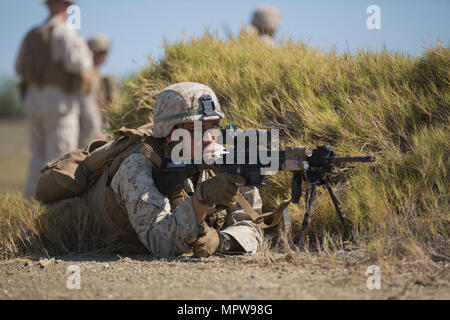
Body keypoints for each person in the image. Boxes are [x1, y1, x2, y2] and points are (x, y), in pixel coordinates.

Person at [44, 82, 264, 258]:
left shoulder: (221, 158)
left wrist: (222, 242)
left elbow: (253, 224)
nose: (209, 138)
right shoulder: (136, 167)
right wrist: (200, 200)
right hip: (85, 236)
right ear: (170, 135)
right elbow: (161, 244)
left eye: (214, 126)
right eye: (197, 128)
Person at [15, 0, 94, 198]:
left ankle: (30, 204)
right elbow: (77, 63)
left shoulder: (31, 34)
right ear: (64, 7)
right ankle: (50, 206)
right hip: (59, 102)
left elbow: (18, 67)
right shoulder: (64, 32)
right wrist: (84, 48)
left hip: (34, 100)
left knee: (36, 156)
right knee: (59, 156)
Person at [78, 35, 115, 148]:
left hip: (100, 125)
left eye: (105, 52)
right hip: (87, 127)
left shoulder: (100, 74)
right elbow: (86, 105)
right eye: (100, 53)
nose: (104, 56)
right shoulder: (85, 75)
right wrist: (96, 130)